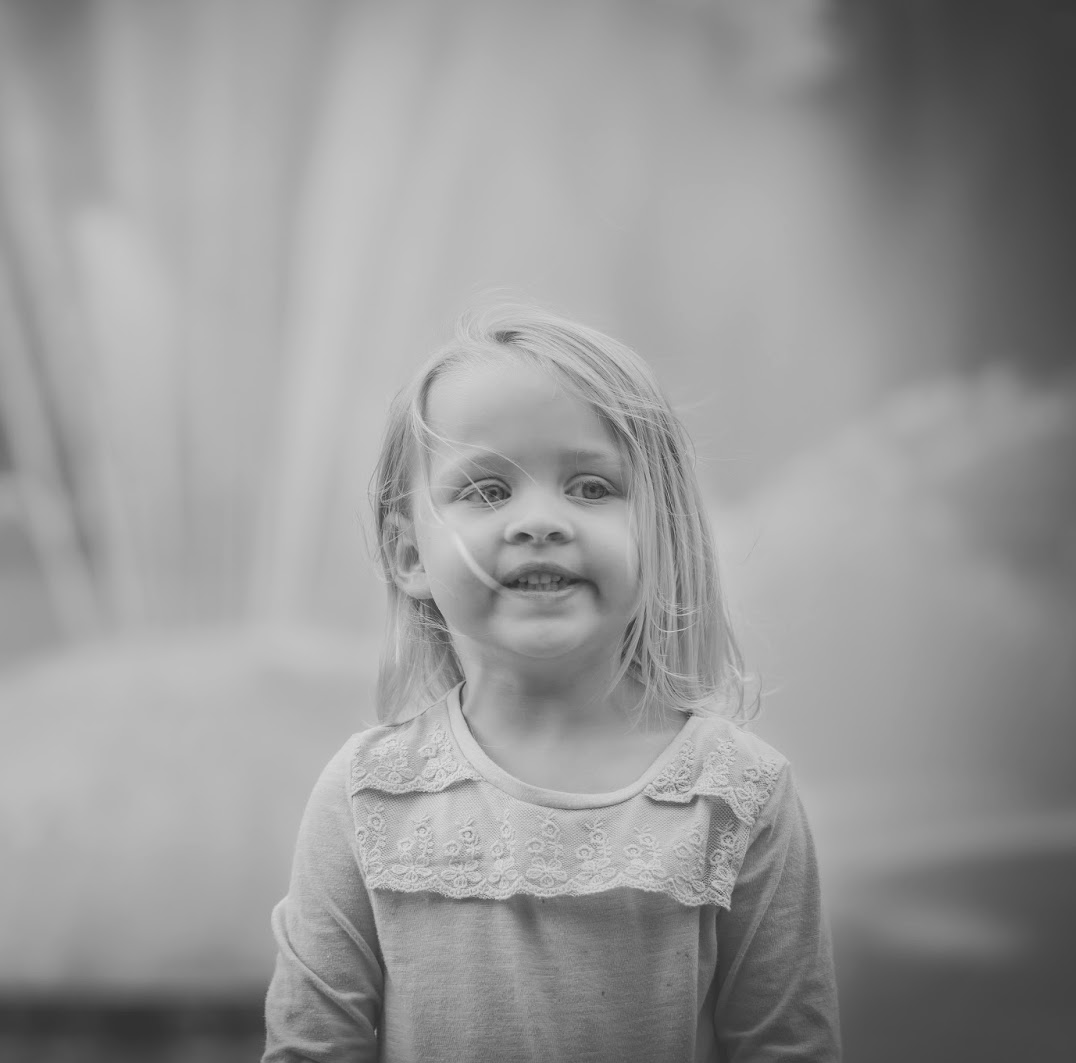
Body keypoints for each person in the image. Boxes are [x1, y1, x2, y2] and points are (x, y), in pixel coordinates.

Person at [263, 305, 840, 1061]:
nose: (540, 521)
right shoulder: (367, 795)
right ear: (409, 555)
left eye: (592, 487)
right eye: (487, 490)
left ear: (662, 533)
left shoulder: (738, 797)